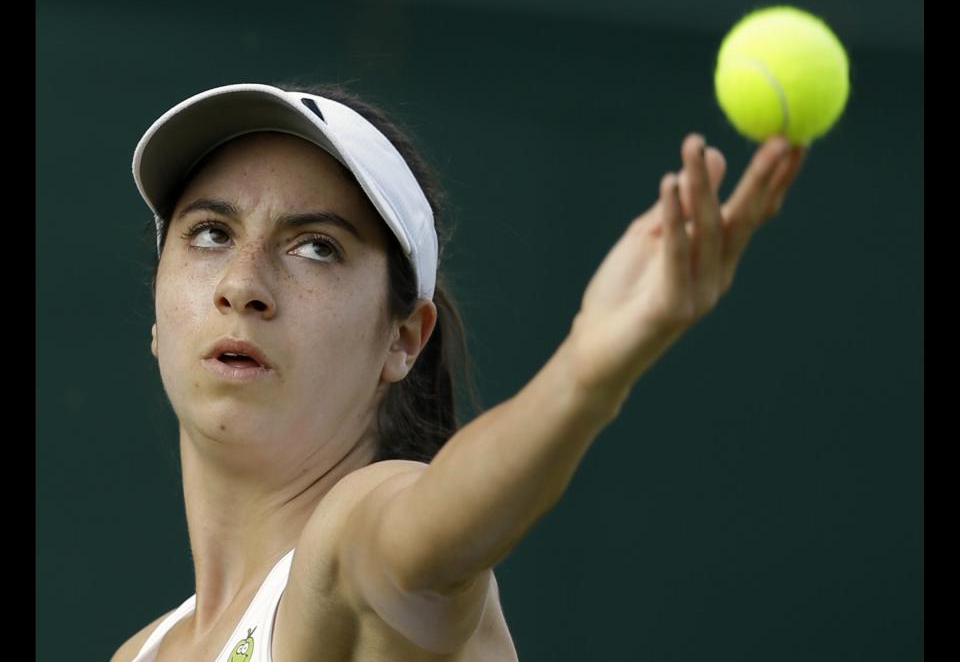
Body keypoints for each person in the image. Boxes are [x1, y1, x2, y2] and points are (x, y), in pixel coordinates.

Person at [111, 81, 806, 662]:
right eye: (210, 232)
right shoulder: (144, 651)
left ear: (403, 340)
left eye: (317, 246)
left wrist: (585, 374)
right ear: (155, 308)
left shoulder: (358, 535)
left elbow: (419, 542)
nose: (243, 283)